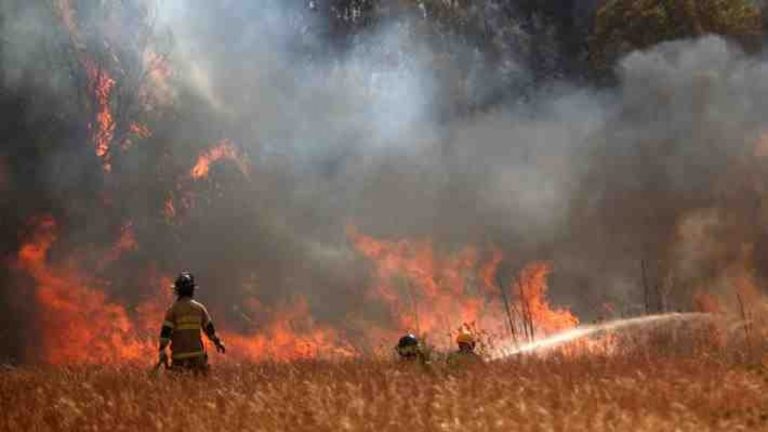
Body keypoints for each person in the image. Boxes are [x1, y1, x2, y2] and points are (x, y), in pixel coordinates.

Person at [158, 272, 226, 372]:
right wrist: (218, 342)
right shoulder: (199, 308)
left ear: (177, 291)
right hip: (197, 357)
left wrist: (162, 350)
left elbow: (165, 333)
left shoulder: (172, 310)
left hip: (179, 359)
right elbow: (209, 329)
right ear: (192, 290)